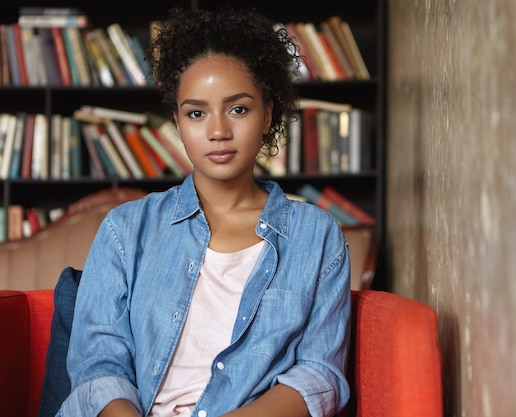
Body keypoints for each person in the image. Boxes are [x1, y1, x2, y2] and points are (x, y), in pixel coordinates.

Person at [56, 7, 352, 417]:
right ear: (177, 122)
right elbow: (98, 368)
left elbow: (319, 376)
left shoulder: (315, 235)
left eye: (238, 109)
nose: (217, 131)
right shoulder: (125, 230)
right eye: (196, 113)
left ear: (267, 115)